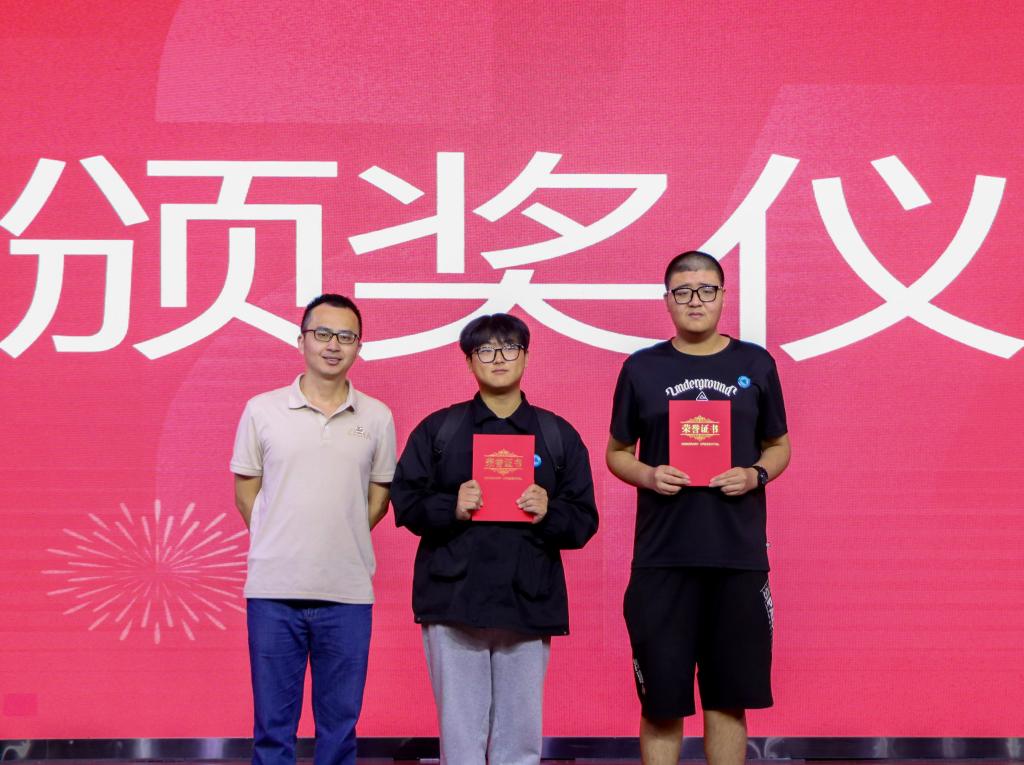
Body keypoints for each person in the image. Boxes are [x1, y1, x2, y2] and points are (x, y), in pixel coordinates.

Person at [606, 251, 791, 765]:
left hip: (737, 555)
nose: (695, 300)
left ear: (723, 297)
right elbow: (617, 453)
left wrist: (754, 474)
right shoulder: (642, 368)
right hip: (663, 557)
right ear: (667, 300)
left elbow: (779, 446)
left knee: (728, 698)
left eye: (706, 290)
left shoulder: (755, 364)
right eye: (683, 291)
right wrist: (649, 474)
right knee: (662, 702)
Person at [391, 313, 599, 765]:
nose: (498, 358)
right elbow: (404, 502)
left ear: (526, 356)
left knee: (520, 740)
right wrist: (451, 506)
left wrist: (549, 511)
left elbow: (585, 520)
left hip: (528, 600)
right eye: (485, 350)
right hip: (453, 601)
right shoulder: (439, 430)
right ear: (469, 361)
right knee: (460, 738)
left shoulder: (557, 434)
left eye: (509, 348)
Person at [230, 294, 396, 765]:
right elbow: (246, 492)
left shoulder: (377, 416)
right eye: (322, 334)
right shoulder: (262, 410)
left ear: (359, 346)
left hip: (347, 593)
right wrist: (280, 535)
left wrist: (340, 535)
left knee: (340, 729)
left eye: (346, 337)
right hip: (273, 591)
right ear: (301, 340)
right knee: (272, 729)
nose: (333, 345)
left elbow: (379, 496)